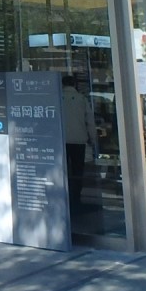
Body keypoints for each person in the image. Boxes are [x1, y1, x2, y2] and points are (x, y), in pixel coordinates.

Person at [61, 75, 98, 209]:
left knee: (63, 170)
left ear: (62, 85)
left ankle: (64, 195)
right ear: (75, 84)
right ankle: (76, 196)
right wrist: (93, 139)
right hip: (79, 140)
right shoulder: (81, 99)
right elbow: (90, 121)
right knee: (77, 170)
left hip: (61, 140)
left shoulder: (58, 98)